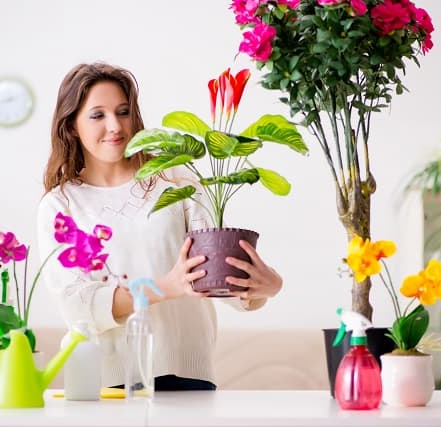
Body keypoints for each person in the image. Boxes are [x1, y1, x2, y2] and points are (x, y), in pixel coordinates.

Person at [37, 61, 282, 391]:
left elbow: (213, 274)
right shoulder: (62, 203)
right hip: (108, 385)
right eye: (97, 115)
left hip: (189, 374)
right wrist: (166, 286)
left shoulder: (175, 178)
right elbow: (77, 304)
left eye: (123, 112)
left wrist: (264, 288)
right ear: (72, 126)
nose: (115, 126)